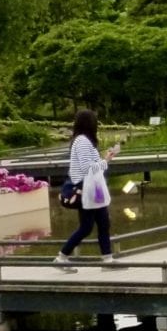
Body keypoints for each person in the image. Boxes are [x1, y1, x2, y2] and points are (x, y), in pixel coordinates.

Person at [59, 110, 121, 267]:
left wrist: (105, 158)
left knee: (104, 223)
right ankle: (62, 256)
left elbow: (92, 165)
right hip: (87, 188)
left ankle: (107, 259)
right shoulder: (82, 142)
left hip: (95, 188)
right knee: (86, 227)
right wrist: (106, 160)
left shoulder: (85, 142)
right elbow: (88, 168)